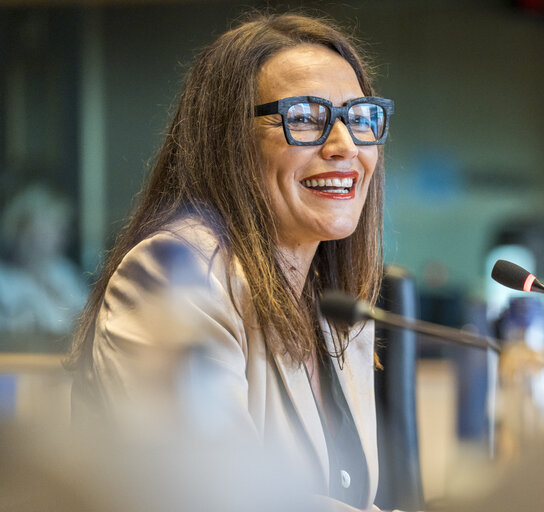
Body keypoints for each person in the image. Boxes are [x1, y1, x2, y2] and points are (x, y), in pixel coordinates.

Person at [67, 12, 394, 511]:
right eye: (305, 116)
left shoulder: (335, 306)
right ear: (229, 141)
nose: (345, 145)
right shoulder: (174, 274)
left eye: (359, 117)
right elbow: (217, 495)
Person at [0, 184, 88, 351]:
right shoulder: (4, 280)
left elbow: (87, 320)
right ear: (25, 229)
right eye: (54, 225)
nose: (63, 235)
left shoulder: (63, 271)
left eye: (62, 227)